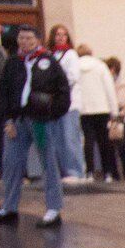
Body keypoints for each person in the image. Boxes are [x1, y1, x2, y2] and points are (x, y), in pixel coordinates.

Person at [0, 26, 70, 226]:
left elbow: (63, 92)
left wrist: (52, 114)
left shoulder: (49, 62)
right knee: (11, 164)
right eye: (21, 38)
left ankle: (53, 208)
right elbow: (3, 92)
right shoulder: (12, 63)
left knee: (48, 163)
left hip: (41, 120)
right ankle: (9, 207)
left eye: (28, 38)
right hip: (17, 120)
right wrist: (8, 119)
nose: (24, 42)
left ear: (37, 40)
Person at [44, 24, 87, 182]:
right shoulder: (50, 55)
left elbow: (72, 76)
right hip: (54, 103)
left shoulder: (71, 55)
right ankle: (62, 170)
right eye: (57, 34)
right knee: (58, 138)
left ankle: (75, 171)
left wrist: (55, 86)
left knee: (70, 137)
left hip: (69, 102)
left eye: (64, 34)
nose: (61, 37)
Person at [72, 45, 120, 181]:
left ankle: (89, 172)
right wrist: (114, 110)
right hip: (101, 108)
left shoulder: (75, 67)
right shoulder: (100, 66)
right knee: (104, 141)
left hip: (84, 109)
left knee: (88, 141)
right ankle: (107, 172)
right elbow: (109, 88)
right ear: (91, 53)